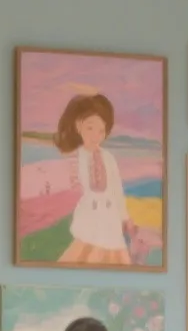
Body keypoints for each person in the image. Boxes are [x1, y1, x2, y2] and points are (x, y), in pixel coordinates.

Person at [53, 91, 135, 265]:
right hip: (89, 216)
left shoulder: (109, 158)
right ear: (78, 126)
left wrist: (125, 217)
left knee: (115, 258)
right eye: (90, 128)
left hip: (110, 219)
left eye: (101, 130)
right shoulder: (75, 158)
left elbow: (117, 190)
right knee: (84, 255)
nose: (95, 135)